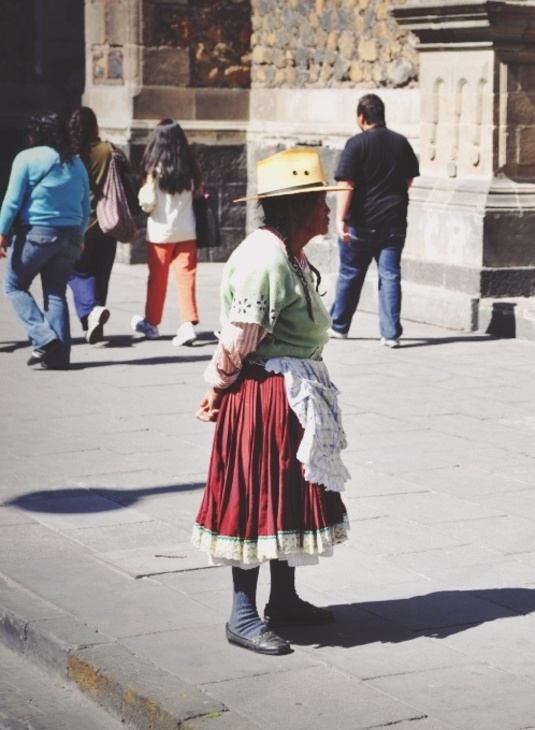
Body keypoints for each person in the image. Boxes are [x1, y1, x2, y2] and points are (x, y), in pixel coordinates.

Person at [191, 148, 351, 655]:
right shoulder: (265, 259)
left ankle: (283, 600)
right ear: (296, 207)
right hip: (263, 398)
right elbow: (240, 338)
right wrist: (217, 387)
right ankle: (242, 614)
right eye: (320, 201)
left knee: (283, 494)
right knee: (256, 497)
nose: (327, 209)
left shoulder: (289, 253)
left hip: (289, 394)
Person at [327, 93, 419, 347]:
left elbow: (347, 183)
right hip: (394, 221)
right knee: (390, 275)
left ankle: (340, 325)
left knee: (350, 273)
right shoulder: (401, 143)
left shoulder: (356, 145)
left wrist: (340, 219)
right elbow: (409, 178)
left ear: (361, 117)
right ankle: (390, 334)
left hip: (361, 221)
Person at [0, 111, 89, 370]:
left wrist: (2, 232)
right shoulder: (75, 162)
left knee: (14, 285)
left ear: (35, 133)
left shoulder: (26, 158)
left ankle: (43, 337)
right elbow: (85, 204)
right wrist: (80, 235)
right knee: (56, 293)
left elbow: (12, 201)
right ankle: (59, 358)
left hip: (37, 233)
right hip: (71, 234)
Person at [133, 118, 201, 346]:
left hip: (160, 233)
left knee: (157, 280)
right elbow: (198, 193)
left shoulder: (154, 169)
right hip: (187, 231)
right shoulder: (190, 168)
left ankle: (152, 323)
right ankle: (187, 324)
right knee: (186, 280)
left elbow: (147, 202)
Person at [68, 106, 125, 345]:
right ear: (95, 126)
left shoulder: (70, 154)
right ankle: (95, 316)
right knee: (102, 274)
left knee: (76, 272)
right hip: (107, 223)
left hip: (78, 224)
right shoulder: (109, 150)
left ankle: (91, 314)